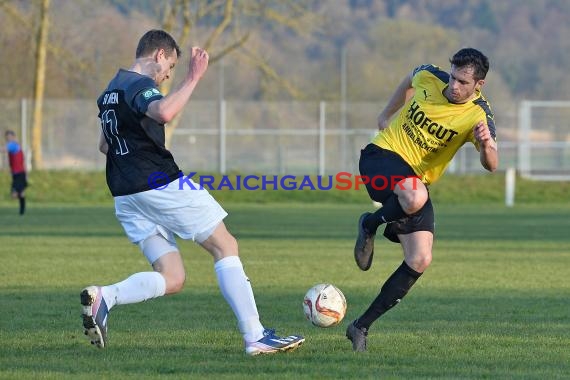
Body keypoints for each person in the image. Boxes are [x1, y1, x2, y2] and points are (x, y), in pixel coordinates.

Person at [82, 29, 304, 355]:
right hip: (159, 183)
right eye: (169, 66)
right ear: (159, 55)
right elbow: (164, 113)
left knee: (173, 277)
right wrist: (193, 78)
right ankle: (255, 336)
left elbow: (105, 145)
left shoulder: (110, 90)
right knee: (225, 245)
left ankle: (106, 297)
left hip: (126, 195)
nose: (167, 75)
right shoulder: (138, 85)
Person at [346, 48, 498, 351]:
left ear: (478, 85)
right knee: (415, 194)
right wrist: (385, 114)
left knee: (420, 258)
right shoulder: (430, 75)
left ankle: (360, 326)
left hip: (413, 185)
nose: (454, 86)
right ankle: (371, 224)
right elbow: (408, 79)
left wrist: (485, 145)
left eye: (463, 83)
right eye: (453, 78)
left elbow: (492, 165)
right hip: (381, 157)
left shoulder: (478, 115)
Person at [4, 130, 27, 215]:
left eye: (9, 137)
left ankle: (22, 211)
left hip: (19, 173)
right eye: (7, 137)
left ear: (13, 137)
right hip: (18, 173)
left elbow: (3, 149)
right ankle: (22, 211)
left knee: (14, 194)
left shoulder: (12, 145)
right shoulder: (15, 145)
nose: (8, 138)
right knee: (21, 193)